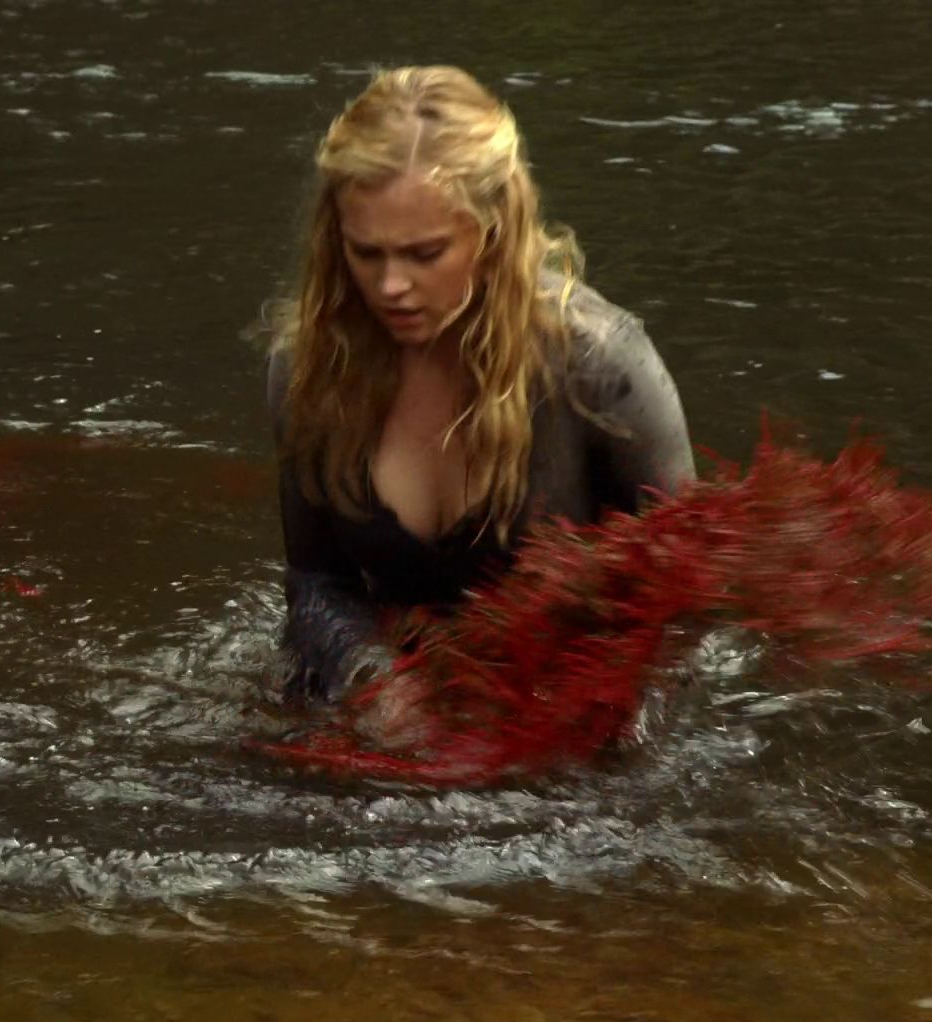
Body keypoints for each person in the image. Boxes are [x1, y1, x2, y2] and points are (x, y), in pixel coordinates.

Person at [267, 65, 696, 707]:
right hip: (397, 697)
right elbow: (316, 580)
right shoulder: (311, 370)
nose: (390, 286)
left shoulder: (599, 367)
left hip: (562, 703)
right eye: (366, 252)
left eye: (425, 253)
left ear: (494, 232)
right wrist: (375, 683)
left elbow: (685, 603)